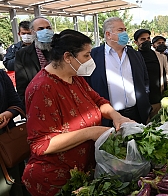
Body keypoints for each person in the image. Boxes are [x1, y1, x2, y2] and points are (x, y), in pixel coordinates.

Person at [21, 29, 132, 196]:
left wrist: (118, 117)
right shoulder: (42, 88)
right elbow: (40, 144)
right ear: (67, 57)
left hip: (82, 173)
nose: (91, 60)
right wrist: (91, 132)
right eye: (86, 55)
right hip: (55, 180)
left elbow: (99, 101)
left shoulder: (75, 77)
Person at [86, 18, 151, 126]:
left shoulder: (135, 54)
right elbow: (87, 86)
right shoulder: (93, 56)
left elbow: (145, 80)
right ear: (108, 34)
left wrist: (145, 103)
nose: (125, 33)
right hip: (108, 118)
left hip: (137, 114)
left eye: (125, 29)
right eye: (120, 30)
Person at [0, 70, 29, 196]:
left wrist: (7, 114)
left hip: (7, 146)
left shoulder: (1, 75)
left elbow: (17, 103)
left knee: (14, 187)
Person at [15, 17, 53, 105]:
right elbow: (22, 87)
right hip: (37, 103)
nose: (45, 31)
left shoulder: (60, 50)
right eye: (40, 29)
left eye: (48, 28)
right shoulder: (22, 54)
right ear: (32, 32)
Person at [134, 29, 164, 117]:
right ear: (136, 42)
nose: (146, 41)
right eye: (143, 39)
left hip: (157, 99)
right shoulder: (134, 57)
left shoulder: (159, 56)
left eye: (148, 39)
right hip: (141, 101)